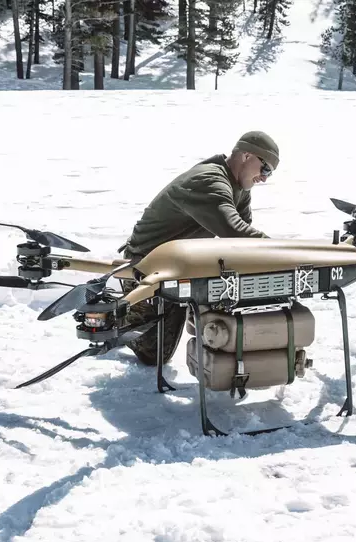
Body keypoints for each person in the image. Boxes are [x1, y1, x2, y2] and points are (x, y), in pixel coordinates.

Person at [117, 131, 280, 366]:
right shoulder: (209, 180)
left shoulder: (239, 188)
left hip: (180, 264)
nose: (264, 178)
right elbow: (234, 230)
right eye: (265, 170)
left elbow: (244, 242)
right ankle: (116, 312)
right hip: (145, 266)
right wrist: (283, 251)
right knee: (153, 353)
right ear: (247, 156)